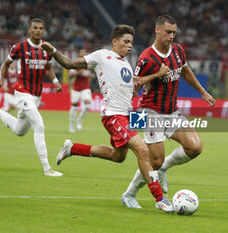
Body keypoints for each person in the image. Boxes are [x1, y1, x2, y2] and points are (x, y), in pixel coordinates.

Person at [40, 24, 174, 212]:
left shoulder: (126, 64)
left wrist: (155, 77)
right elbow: (69, 63)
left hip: (129, 113)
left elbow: (134, 85)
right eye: (126, 42)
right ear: (114, 41)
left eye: (131, 43)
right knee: (142, 150)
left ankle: (72, 148)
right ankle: (160, 199)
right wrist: (53, 50)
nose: (129, 46)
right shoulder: (102, 55)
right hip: (113, 115)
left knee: (118, 156)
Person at [121, 15, 216, 208]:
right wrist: (156, 75)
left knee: (195, 146)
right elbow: (134, 83)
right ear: (157, 30)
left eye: (174, 32)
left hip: (172, 111)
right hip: (150, 112)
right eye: (168, 32)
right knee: (154, 160)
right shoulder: (146, 57)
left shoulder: (178, 51)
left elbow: (186, 71)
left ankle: (164, 168)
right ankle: (129, 194)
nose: (171, 36)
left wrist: (202, 92)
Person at [0, 18, 63, 176]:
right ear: (29, 30)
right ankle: (47, 168)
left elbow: (48, 67)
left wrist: (55, 81)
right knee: (39, 126)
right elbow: (6, 63)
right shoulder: (20, 47)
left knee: (19, 131)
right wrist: (1, 78)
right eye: (35, 28)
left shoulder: (46, 48)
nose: (38, 30)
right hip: (22, 93)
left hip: (36, 95)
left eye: (41, 28)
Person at [68, 49, 95, 133]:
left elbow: (88, 74)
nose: (84, 55)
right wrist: (79, 72)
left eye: (85, 53)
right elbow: (70, 75)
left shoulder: (88, 65)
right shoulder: (75, 64)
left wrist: (91, 75)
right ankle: (71, 125)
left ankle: (79, 119)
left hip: (85, 88)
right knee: (74, 106)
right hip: (76, 88)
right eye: (82, 53)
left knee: (87, 106)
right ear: (79, 54)